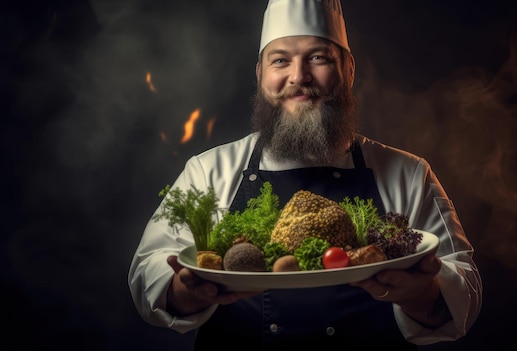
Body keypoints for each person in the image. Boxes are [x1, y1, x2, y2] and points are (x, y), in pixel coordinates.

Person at [128, 0, 482, 348]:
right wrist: (186, 293)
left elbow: (463, 296)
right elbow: (150, 276)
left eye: (318, 57)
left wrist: (423, 294)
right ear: (260, 74)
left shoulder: (409, 173)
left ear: (349, 69)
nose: (298, 77)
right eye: (280, 60)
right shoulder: (207, 170)